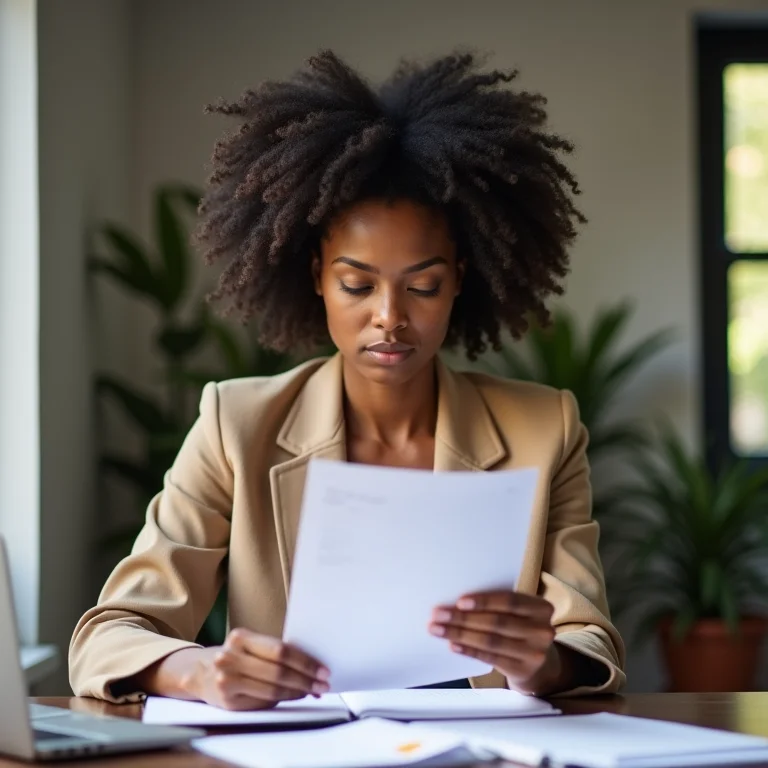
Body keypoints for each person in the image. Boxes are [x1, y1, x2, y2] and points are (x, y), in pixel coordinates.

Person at [69, 50, 625, 709]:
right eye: (357, 284)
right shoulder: (238, 425)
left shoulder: (543, 429)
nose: (389, 317)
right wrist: (200, 671)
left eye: (423, 285)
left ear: (459, 283)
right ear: (316, 278)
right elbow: (110, 635)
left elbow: (589, 642)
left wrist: (543, 662)